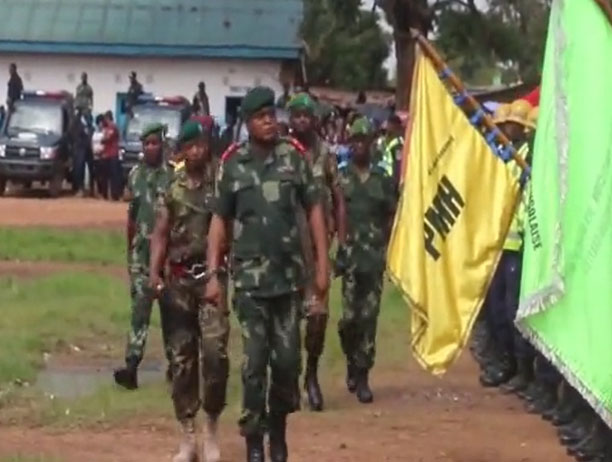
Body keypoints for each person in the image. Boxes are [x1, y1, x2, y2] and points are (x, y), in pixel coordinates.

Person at [204, 86, 329, 462]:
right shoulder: (233, 163)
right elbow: (219, 222)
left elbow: (314, 212)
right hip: (250, 284)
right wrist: (213, 274)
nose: (270, 121)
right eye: (262, 117)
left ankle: (279, 427)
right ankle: (254, 439)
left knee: (288, 362)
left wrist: (322, 267)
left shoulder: (294, 157)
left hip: (289, 281)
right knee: (254, 363)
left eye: (273, 114)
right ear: (247, 122)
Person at [150, 120, 228, 462]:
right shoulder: (172, 189)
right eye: (190, 145)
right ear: (181, 151)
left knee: (215, 354)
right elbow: (160, 233)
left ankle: (211, 427)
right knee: (182, 361)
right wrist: (154, 273)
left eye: (201, 144)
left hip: (210, 280)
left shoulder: (220, 186)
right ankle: (188, 435)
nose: (197, 150)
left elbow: (229, 230)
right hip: (178, 283)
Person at [287, 92, 347, 412]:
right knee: (287, 322)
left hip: (318, 249)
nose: (301, 121)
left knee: (318, 319)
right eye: (295, 115)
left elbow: (338, 198)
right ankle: (291, 380)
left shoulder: (325, 154)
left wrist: (342, 239)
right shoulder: (283, 153)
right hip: (286, 250)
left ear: (314, 120)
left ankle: (311, 375)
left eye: (306, 115)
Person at [336, 116, 396, 404]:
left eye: (364, 141)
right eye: (355, 141)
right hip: (349, 259)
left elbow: (391, 215)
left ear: (372, 143)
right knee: (348, 319)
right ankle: (350, 360)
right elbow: (336, 214)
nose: (359, 146)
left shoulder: (382, 179)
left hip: (373, 258)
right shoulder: (341, 177)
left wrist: (385, 245)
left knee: (368, 318)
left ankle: (362, 376)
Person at [114, 123, 173, 390]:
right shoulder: (136, 175)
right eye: (146, 144)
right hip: (140, 256)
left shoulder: (173, 175)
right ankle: (131, 365)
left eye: (154, 143)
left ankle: (177, 366)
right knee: (139, 312)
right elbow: (132, 217)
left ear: (162, 144)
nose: (150, 148)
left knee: (172, 314)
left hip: (169, 258)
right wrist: (130, 253)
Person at [99, 111, 122, 200]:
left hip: (112, 154)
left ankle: (114, 195)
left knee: (113, 176)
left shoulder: (112, 127)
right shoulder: (106, 128)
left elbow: (107, 139)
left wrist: (103, 139)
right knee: (105, 176)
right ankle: (105, 194)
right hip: (106, 154)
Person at [71, 109, 95, 197]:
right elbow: (74, 135)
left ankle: (91, 190)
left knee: (91, 170)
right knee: (79, 169)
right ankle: (79, 188)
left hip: (88, 149)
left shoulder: (90, 125)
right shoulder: (77, 124)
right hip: (80, 149)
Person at [375, 114, 404, 185]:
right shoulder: (388, 140)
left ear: (394, 125)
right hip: (386, 177)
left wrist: (396, 181)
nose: (387, 127)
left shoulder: (398, 143)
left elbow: (398, 162)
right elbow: (387, 160)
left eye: (389, 124)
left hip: (393, 180)